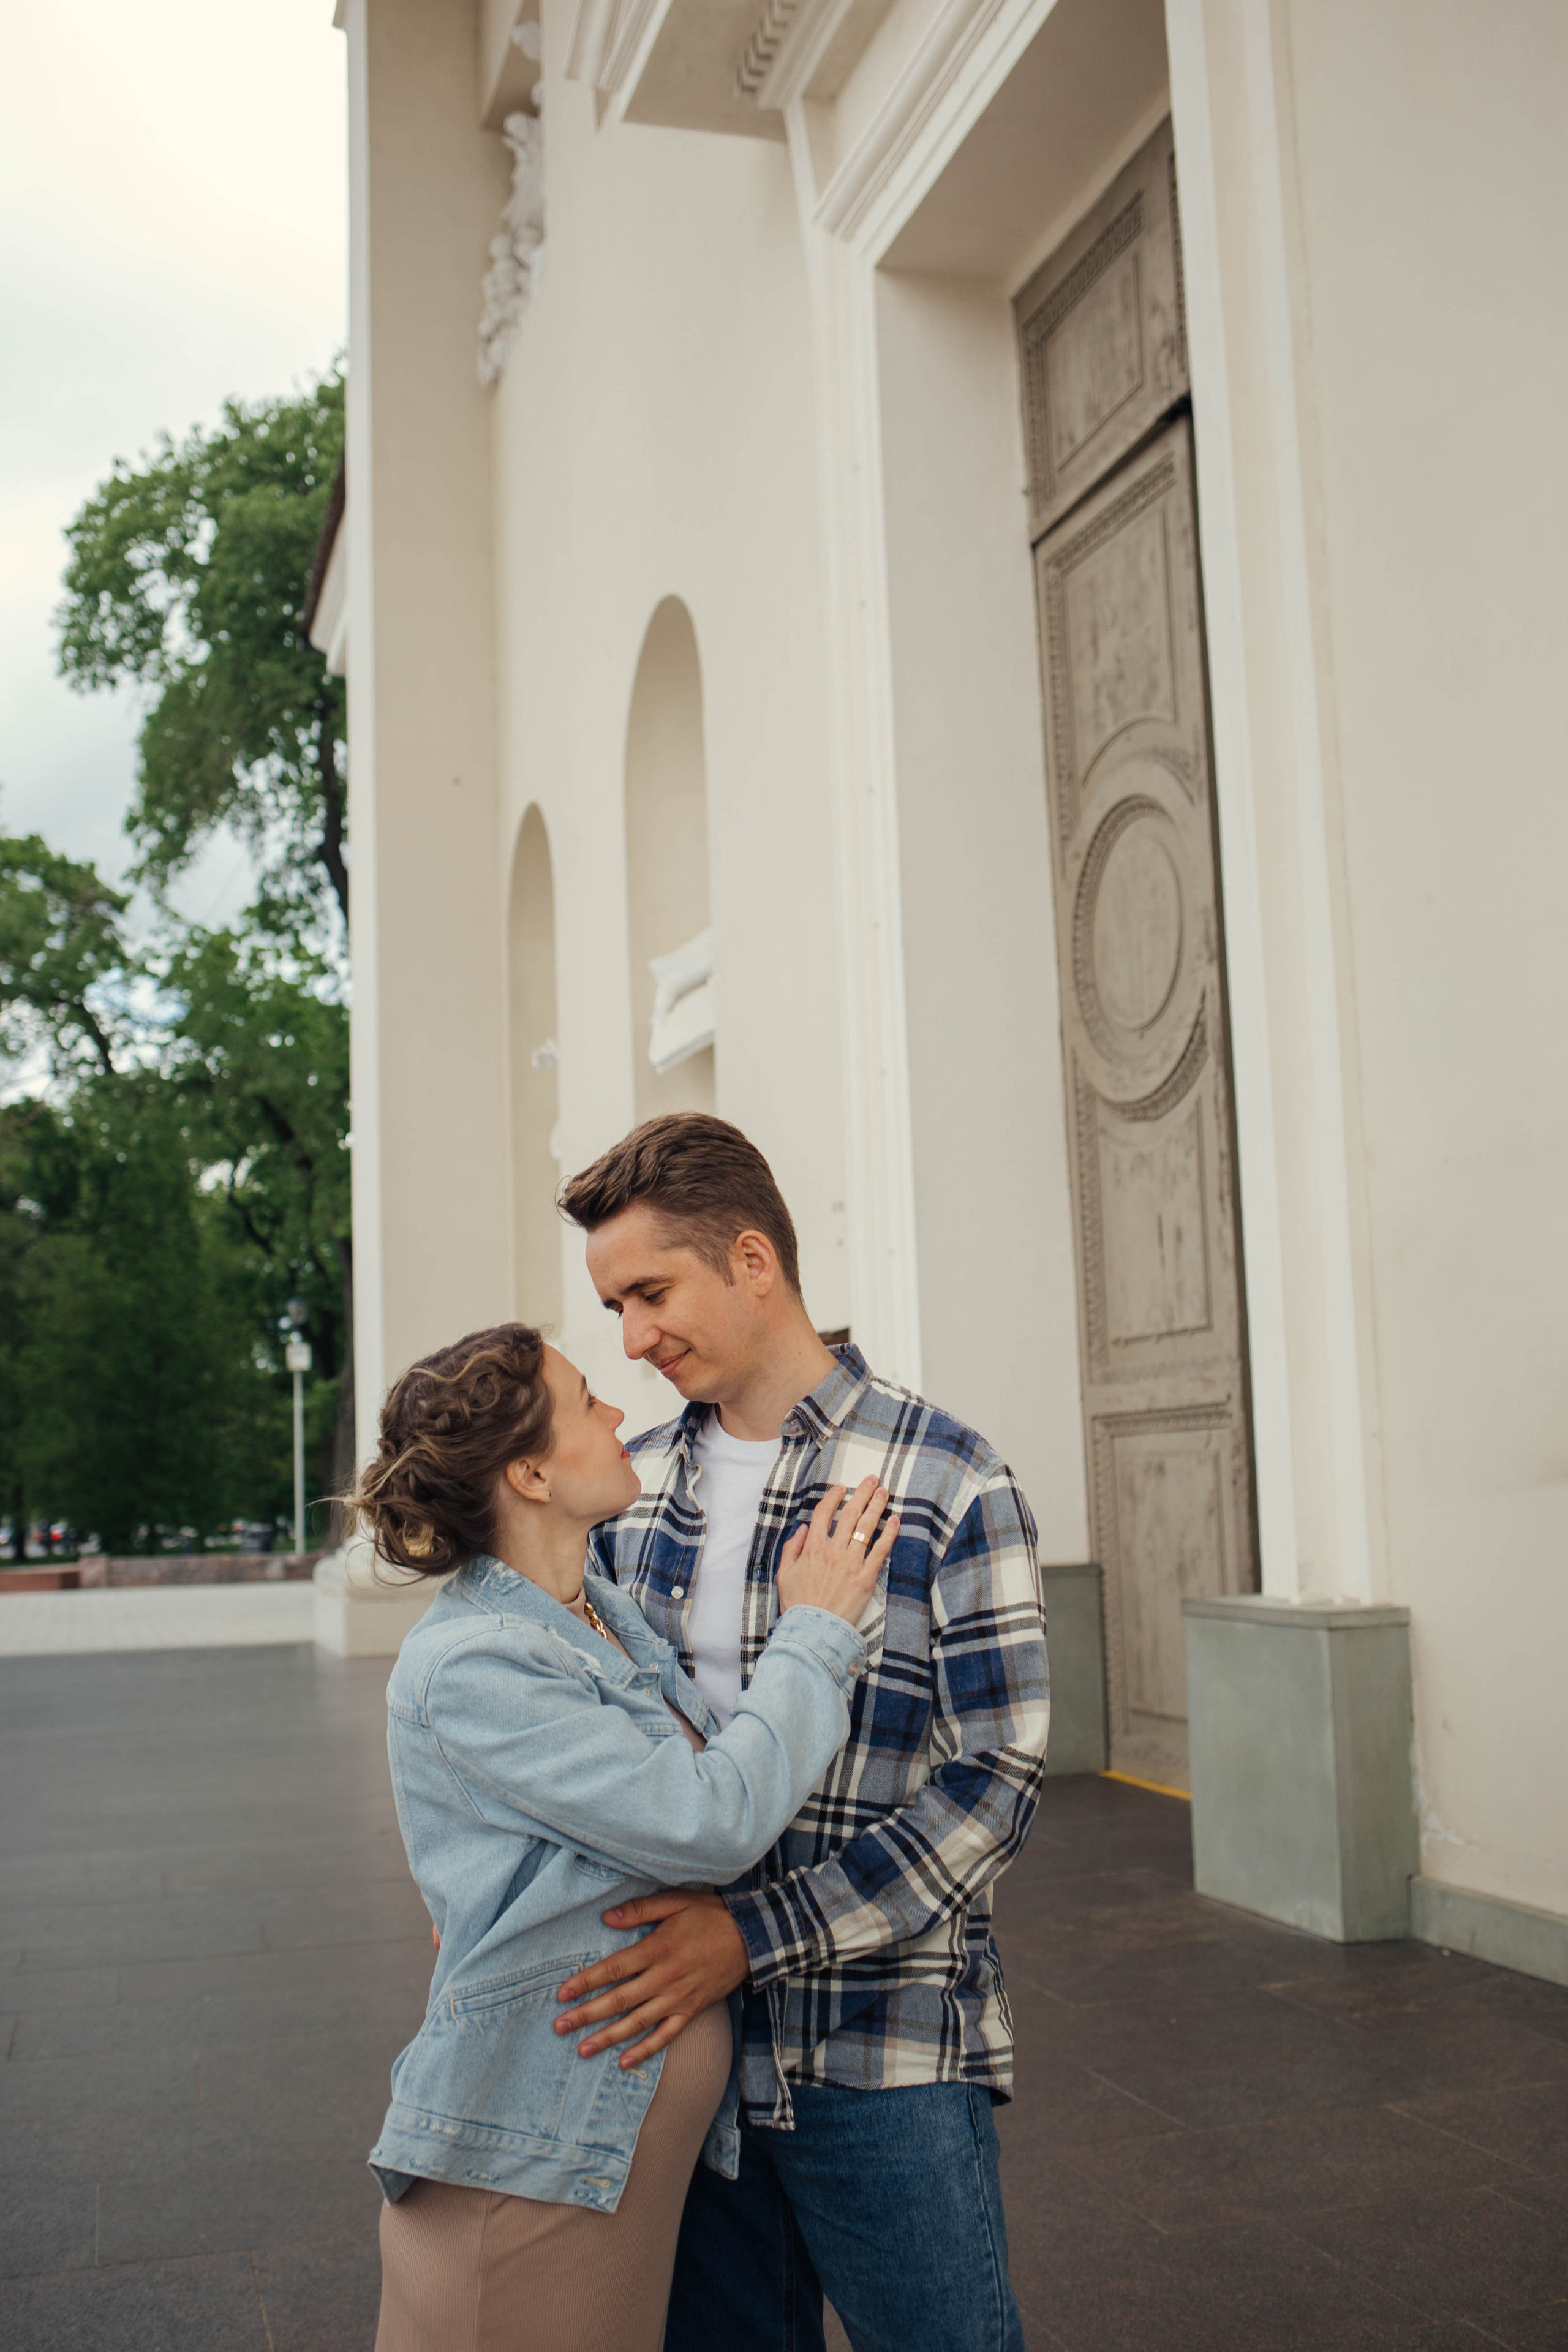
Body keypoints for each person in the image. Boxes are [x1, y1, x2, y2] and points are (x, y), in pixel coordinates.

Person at [554, 1114, 1049, 2352]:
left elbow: (993, 1784)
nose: (630, 1338)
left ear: (752, 1260)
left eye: (651, 1293)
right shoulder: (632, 1490)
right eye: (612, 1307)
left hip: (875, 2050)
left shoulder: (948, 1478)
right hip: (682, 2057)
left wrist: (752, 1936)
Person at [347, 1320, 899, 2352]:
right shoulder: (474, 1662)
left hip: (588, 2163)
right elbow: (710, 1819)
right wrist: (815, 1627)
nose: (616, 1413)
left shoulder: (593, 1609)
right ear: (531, 1473)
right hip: (522, 2183)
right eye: (586, 1402)